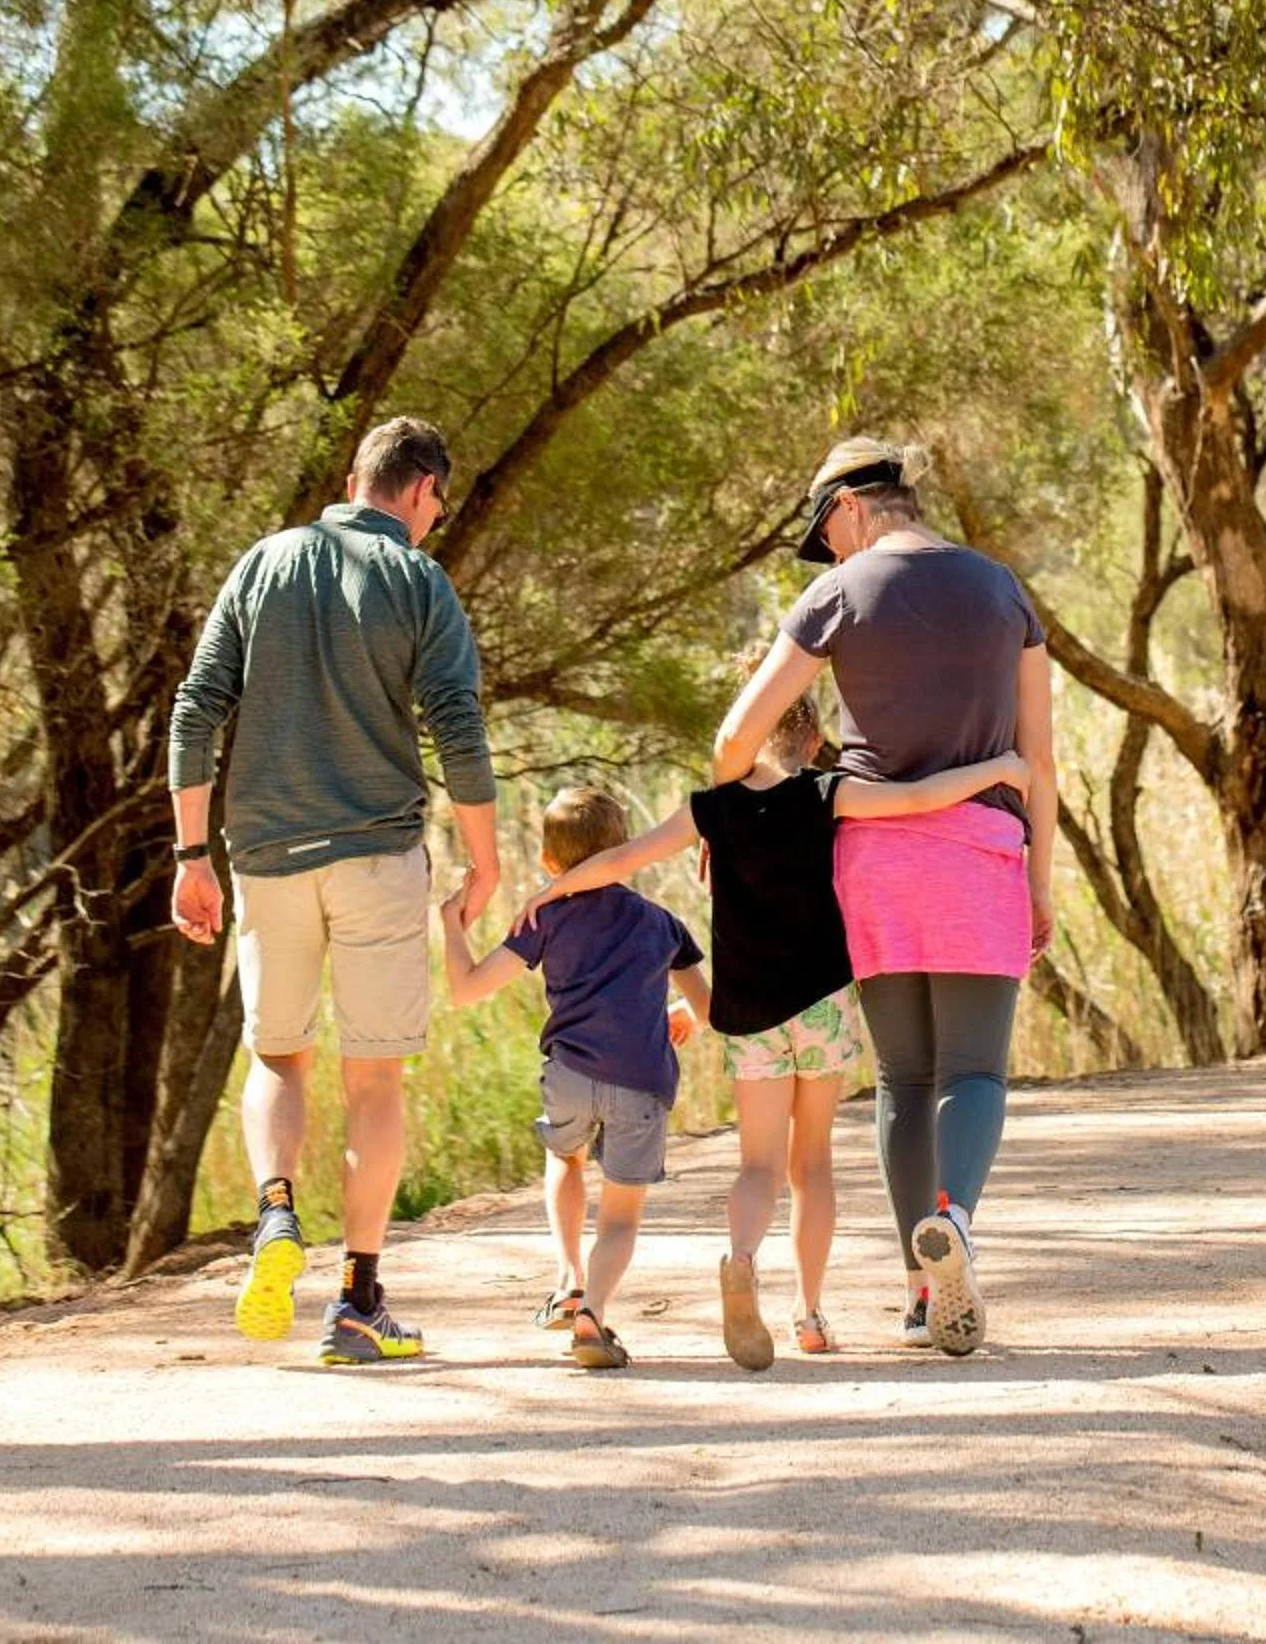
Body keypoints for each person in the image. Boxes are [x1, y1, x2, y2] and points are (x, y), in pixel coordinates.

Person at [517, 690, 1028, 1368]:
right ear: (815, 738)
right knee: (810, 1165)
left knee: (758, 1166)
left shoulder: (712, 809)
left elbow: (624, 860)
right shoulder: (827, 794)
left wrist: (551, 891)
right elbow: (916, 797)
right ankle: (810, 1314)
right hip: (819, 1006)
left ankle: (743, 1258)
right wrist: (999, 767)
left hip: (747, 1013)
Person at [167, 416, 501, 1367]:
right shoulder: (418, 580)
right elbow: (456, 727)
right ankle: (356, 1299)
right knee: (374, 1078)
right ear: (423, 489)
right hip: (376, 857)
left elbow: (197, 706)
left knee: (278, 1057)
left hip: (265, 855)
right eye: (441, 502)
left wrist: (192, 852)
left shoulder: (263, 562)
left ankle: (275, 1216)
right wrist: (486, 856)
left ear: (357, 477)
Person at [713, 437, 1054, 1356]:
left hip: (873, 862)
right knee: (975, 1073)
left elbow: (734, 742)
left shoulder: (834, 597)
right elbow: (1040, 758)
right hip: (982, 848)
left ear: (850, 510)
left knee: (905, 1079)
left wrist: (761, 832)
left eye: (825, 535)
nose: (828, 555)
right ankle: (958, 1226)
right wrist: (1042, 878)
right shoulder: (1002, 591)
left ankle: (917, 1294)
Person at [441, 786, 710, 1369]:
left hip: (570, 1074)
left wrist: (450, 924)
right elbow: (710, 1010)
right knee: (620, 1217)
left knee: (564, 1157)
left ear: (548, 861)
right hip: (642, 1083)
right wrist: (678, 1012)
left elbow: (466, 991)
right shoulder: (662, 924)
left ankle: (567, 1278)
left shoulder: (546, 917)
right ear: (625, 851)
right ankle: (594, 1313)